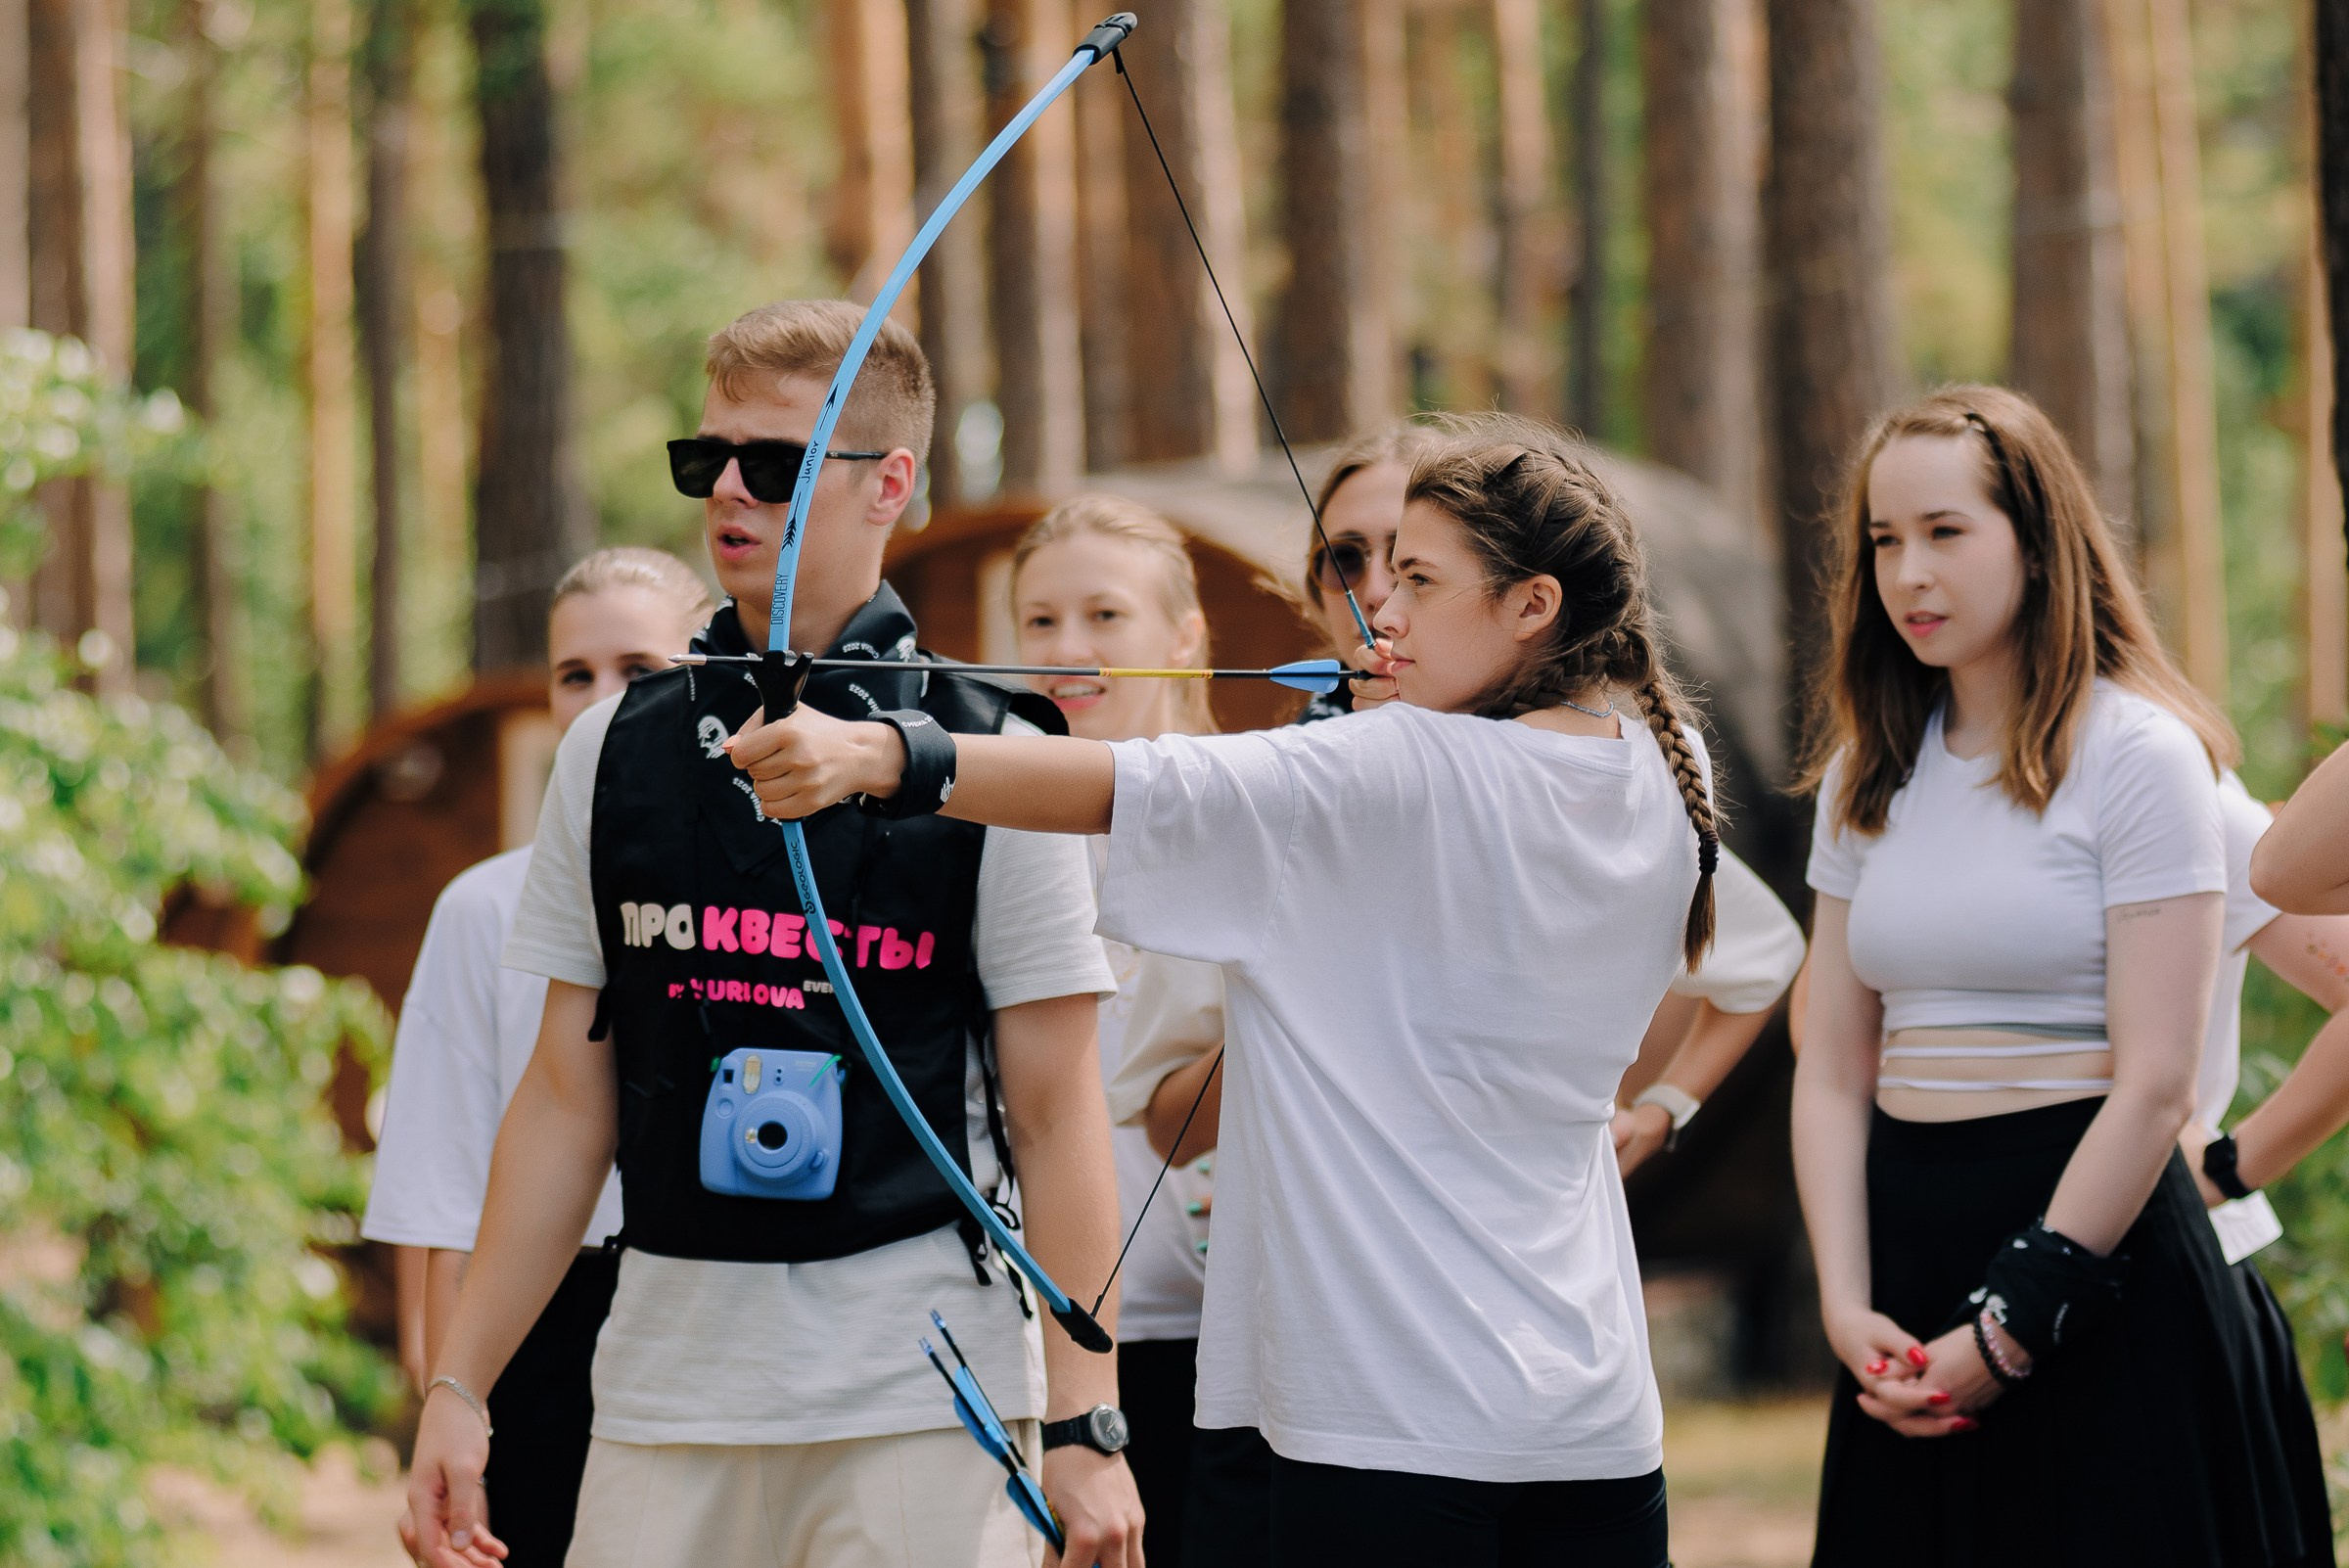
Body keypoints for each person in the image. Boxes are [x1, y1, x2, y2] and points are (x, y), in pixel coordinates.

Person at [733, 412, 1714, 1568]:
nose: (1378, 614)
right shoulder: (1669, 764)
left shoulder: (1396, 768)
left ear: (1532, 606)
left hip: (1393, 1430)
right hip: (1595, 1423)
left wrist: (879, 756)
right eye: (1378, 573)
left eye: (1418, 581)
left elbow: (1124, 782)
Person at [402, 300, 1143, 1568]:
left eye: (778, 464)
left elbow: (1056, 1111)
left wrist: (1087, 1417)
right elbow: (566, 1100)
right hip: (664, 1391)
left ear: (891, 483)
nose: (730, 492)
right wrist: (458, 1386)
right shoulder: (610, 750)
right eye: (708, 461)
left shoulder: (994, 752)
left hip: (927, 1395)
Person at [1793, 384, 2329, 1568]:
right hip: (1908, 1259)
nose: (1909, 574)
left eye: (1946, 533)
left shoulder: (2140, 756)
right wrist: (1843, 1299)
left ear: (2037, 545)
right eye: (1884, 541)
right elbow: (1831, 1068)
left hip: (2099, 1254)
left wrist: (2014, 1324)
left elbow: (2154, 1082)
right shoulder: (1864, 774)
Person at [1288, 422, 1803, 1176]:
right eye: (1344, 560)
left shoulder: (1567, 769)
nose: (1377, 593)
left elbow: (1766, 957)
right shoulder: (1306, 753)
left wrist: (1664, 1109)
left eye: (1411, 565)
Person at [371, 547, 713, 1565]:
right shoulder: (481, 909)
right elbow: (440, 1192)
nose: (603, 701)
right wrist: (445, 1403)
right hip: (535, 1328)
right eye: (576, 675)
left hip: (718, 1311)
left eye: (640, 673)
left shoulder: (765, 894)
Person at [1006, 494, 1224, 1568]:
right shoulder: (993, 827)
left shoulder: (1253, 811)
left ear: (1183, 636)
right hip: (1041, 1340)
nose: (1069, 648)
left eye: (1105, 615)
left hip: (1224, 1334)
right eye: (1040, 622)